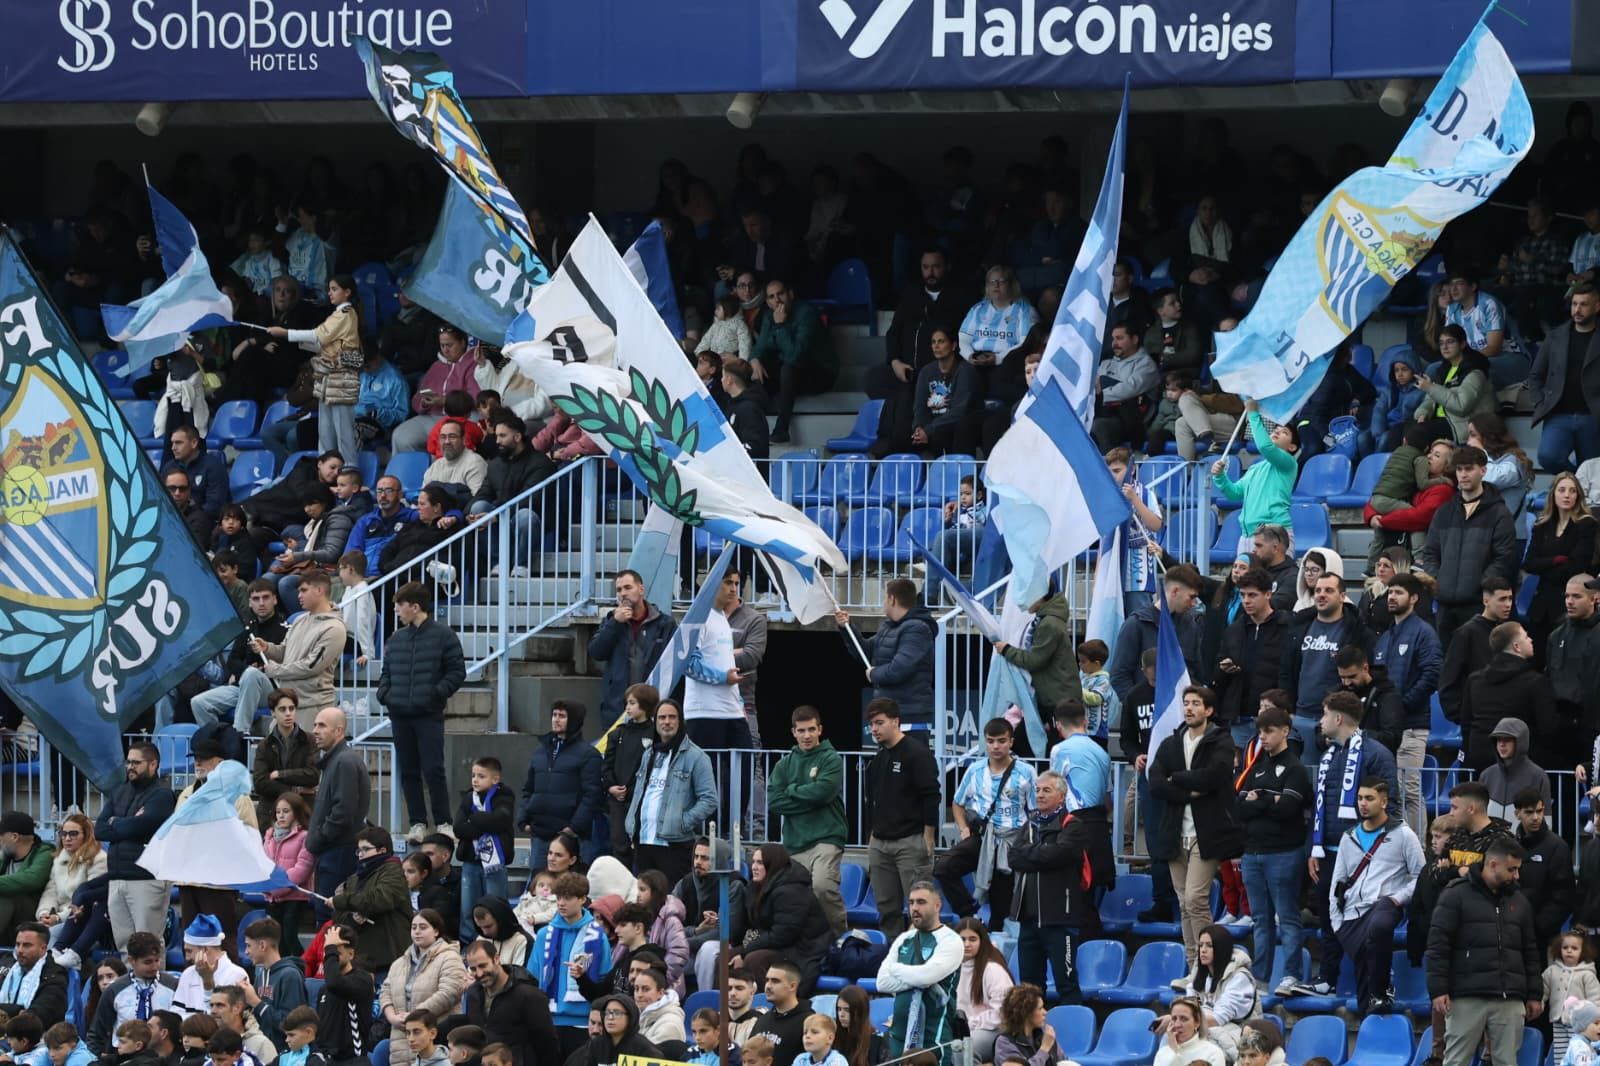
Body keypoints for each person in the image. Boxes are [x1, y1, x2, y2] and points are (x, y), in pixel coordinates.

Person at [1295, 690, 1398, 999]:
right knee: (1330, 921)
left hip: (1364, 857)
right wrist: (1314, 848)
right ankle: (1327, 979)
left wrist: (1374, 850)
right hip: (1328, 854)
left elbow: (1389, 805)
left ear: (1338, 718)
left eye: (1324, 714)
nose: (1320, 721)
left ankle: (1381, 983)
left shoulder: (1377, 754)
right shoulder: (1330, 755)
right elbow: (1321, 807)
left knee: (1366, 923)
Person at [1148, 686, 1243, 965]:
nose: (1189, 708)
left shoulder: (1221, 741)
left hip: (1207, 833)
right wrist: (1188, 792)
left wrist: (1176, 778)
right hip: (1175, 832)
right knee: (1183, 903)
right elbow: (1155, 783)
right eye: (1186, 703)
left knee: (1195, 899)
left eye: (1196, 703)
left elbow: (1214, 776)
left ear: (1209, 710)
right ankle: (1193, 967)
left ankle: (1210, 964)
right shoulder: (1170, 743)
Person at [1427, 837, 1543, 1066]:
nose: (1517, 876)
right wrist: (1438, 990)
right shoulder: (1455, 894)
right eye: (1511, 869)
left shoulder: (1519, 901)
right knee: (1456, 1061)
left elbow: (1530, 951)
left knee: (1507, 1062)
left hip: (1509, 997)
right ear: (1492, 864)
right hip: (1466, 996)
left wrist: (1534, 994)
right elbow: (1438, 945)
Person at [190, 571, 347, 735]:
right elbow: (284, 651)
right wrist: (268, 648)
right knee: (200, 702)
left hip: (311, 702)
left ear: (319, 591)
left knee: (303, 749)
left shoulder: (333, 628)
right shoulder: (300, 620)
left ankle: (239, 733)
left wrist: (272, 670)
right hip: (287, 696)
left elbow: (311, 666)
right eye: (299, 590)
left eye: (303, 590)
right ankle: (221, 742)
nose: (298, 595)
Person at [1008, 770, 1113, 1005]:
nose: (1040, 795)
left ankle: (1073, 1026)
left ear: (1061, 796)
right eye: (1037, 790)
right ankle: (1033, 1028)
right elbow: (1013, 858)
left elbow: (1060, 854)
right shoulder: (1030, 824)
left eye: (1047, 790)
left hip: (1060, 920)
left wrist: (1031, 854)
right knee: (1029, 989)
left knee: (1066, 984)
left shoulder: (1073, 825)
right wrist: (1043, 856)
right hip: (1028, 920)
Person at [376, 582, 465, 839]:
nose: (396, 610)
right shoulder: (396, 638)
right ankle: (417, 822)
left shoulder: (444, 635)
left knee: (434, 769)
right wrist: (385, 695)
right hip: (400, 715)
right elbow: (386, 672)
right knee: (408, 770)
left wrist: (435, 693)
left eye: (400, 605)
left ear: (415, 607)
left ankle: (443, 822)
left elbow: (456, 672)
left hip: (428, 714)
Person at [1328, 778, 1425, 1014]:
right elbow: (1337, 883)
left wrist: (1398, 898)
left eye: (1369, 798)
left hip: (1386, 905)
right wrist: (1337, 923)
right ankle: (1372, 1010)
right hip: (1352, 914)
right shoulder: (1348, 837)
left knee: (1379, 926)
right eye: (1360, 798)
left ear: (1383, 802)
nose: (1363, 803)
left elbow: (1421, 876)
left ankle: (1380, 992)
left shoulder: (1403, 834)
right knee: (1364, 978)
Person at [1236, 705, 1311, 989]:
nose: (1263, 737)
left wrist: (1260, 799)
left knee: (1287, 918)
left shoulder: (1295, 768)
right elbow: (1239, 807)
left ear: (1285, 731)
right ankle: (1259, 979)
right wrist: (1270, 800)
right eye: (1260, 732)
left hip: (1283, 853)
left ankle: (1291, 975)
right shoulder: (1256, 766)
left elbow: (1288, 809)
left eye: (1269, 731)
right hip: (1252, 853)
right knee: (1260, 920)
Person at [936, 719, 1035, 929]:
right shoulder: (975, 770)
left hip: (1011, 841)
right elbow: (957, 803)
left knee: (1001, 907)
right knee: (943, 868)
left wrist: (1028, 841)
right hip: (982, 838)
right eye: (990, 741)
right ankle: (970, 914)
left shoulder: (1026, 771)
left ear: (1011, 742)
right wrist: (963, 828)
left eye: (1001, 741)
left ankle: (994, 941)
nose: (996, 746)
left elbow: (1035, 811)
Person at [1420, 445, 1520, 644]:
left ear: (1483, 470)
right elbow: (1430, 553)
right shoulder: (1444, 511)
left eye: (1469, 469)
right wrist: (1440, 582)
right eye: (1459, 469)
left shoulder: (1499, 514)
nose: (1463, 474)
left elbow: (1504, 558)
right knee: (1447, 660)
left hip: (1478, 606)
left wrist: (1480, 586)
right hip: (1445, 606)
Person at [863, 699, 940, 941]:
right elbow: (872, 801)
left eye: (879, 723)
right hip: (880, 843)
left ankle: (923, 954)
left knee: (920, 907)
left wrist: (928, 836)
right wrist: (872, 836)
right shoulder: (877, 759)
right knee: (886, 908)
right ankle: (891, 954)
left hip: (910, 841)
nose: (874, 729)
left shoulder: (917, 754)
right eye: (871, 724)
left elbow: (931, 796)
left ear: (895, 721)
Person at [766, 708, 847, 934]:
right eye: (801, 731)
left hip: (827, 837)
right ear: (793, 732)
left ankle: (840, 937)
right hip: (794, 843)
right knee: (793, 897)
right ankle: (806, 942)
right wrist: (811, 799)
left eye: (812, 729)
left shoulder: (831, 758)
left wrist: (792, 790)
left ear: (820, 729)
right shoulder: (784, 765)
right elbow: (774, 802)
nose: (807, 735)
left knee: (822, 886)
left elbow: (824, 792)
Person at [266, 276, 362, 467]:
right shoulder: (336, 314)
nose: (330, 293)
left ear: (347, 292)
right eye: (329, 289)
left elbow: (318, 335)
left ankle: (349, 468)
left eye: (334, 289)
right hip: (326, 375)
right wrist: (294, 339)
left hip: (341, 377)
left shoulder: (346, 313)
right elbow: (320, 344)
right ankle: (325, 469)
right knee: (325, 428)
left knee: (342, 429)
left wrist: (285, 333)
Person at [1372, 572, 1443, 829]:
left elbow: (1432, 674)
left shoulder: (1424, 633)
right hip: (1387, 729)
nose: (1392, 597)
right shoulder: (1384, 637)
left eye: (1398, 592)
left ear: (1413, 598)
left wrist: (1401, 707)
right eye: (1390, 592)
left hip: (1413, 726)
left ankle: (1417, 847)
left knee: (1409, 790)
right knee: (1389, 790)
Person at [624, 700, 717, 887]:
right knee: (645, 899)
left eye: (672, 717)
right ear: (655, 722)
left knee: (673, 900)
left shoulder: (696, 757)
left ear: (680, 721)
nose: (667, 722)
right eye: (662, 717)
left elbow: (709, 799)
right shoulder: (649, 753)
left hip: (674, 845)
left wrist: (682, 822)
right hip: (643, 841)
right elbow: (640, 793)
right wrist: (631, 824)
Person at [95, 743, 176, 951]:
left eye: (136, 763)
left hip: (146, 879)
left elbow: (141, 826)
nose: (130, 767)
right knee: (124, 946)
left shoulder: (162, 795)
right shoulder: (120, 791)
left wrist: (116, 822)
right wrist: (127, 824)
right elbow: (100, 830)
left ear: (153, 764)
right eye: (128, 762)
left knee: (149, 945)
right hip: (117, 877)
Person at [874, 881, 960, 1066]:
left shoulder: (951, 940)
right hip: (898, 1037)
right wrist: (917, 977)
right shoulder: (904, 938)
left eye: (921, 902)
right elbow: (882, 982)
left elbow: (926, 977)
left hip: (932, 1037)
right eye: (911, 902)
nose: (914, 908)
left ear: (937, 906)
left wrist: (895, 969)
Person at [527, 874, 610, 1059]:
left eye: (568, 898)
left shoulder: (598, 936)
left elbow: (604, 980)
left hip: (583, 1022)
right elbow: (532, 977)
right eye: (558, 897)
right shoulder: (544, 935)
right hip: (549, 1020)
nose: (561, 903)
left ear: (582, 899)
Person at [834, 580, 937, 728]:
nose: (883, 602)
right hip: (886, 713)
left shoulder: (918, 629)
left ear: (892, 599)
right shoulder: (888, 626)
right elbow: (864, 652)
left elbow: (898, 670)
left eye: (884, 597)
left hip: (909, 716)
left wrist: (873, 674)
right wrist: (846, 627)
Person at [1464, 622, 1560, 773]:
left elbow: (1466, 723)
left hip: (1479, 758)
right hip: (1523, 762)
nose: (1531, 640)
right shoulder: (1535, 682)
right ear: (1517, 647)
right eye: (1526, 636)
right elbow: (1548, 728)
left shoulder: (1474, 680)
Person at [994, 593, 1086, 751]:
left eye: (1028, 594)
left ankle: (1047, 767)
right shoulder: (1046, 620)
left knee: (1054, 746)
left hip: (1057, 698)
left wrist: (1007, 650)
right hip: (1049, 696)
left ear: (1040, 596)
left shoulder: (1049, 623)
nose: (1024, 600)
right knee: (1020, 740)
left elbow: (1034, 660)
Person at [750, 278, 837, 443]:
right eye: (771, 297)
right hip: (792, 373)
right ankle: (751, 430)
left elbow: (795, 356)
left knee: (788, 368)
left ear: (790, 294)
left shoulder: (806, 313)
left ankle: (782, 429)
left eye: (780, 294)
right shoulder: (769, 316)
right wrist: (754, 359)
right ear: (767, 302)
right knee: (756, 370)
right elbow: (760, 346)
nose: (777, 300)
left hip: (821, 372)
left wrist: (780, 326)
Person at [588, 573, 676, 727]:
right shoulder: (611, 621)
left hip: (653, 707)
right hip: (617, 709)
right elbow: (596, 652)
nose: (623, 593)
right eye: (619, 590)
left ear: (641, 589)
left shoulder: (664, 623)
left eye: (628, 588)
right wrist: (615, 623)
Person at [1215, 568, 1292, 744]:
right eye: (1242, 595)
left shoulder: (1287, 627)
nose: (1246, 600)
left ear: (1268, 594)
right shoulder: (1234, 630)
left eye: (1252, 595)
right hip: (1240, 717)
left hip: (1275, 718)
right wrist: (1223, 668)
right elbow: (1217, 670)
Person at [305, 709, 369, 923]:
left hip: (338, 852)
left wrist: (318, 838)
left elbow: (343, 813)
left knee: (331, 915)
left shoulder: (344, 762)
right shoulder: (337, 761)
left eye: (322, 725)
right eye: (315, 725)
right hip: (334, 851)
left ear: (339, 731)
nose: (315, 731)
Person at [379, 911, 466, 1066]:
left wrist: (414, 1016)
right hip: (400, 1040)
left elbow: (450, 992)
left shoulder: (450, 957)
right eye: (414, 927)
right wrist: (392, 1017)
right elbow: (385, 992)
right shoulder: (399, 963)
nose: (417, 931)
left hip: (437, 1038)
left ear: (436, 931)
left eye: (423, 927)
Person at [1530, 285, 1600, 473]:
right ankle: (1576, 481)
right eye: (1574, 304)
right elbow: (1535, 375)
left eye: (1584, 304)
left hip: (1593, 416)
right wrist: (1540, 403)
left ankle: (1581, 484)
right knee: (1548, 457)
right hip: (1558, 413)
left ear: (1597, 306)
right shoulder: (1555, 336)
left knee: (1593, 470)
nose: (1577, 309)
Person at [1211, 400, 1299, 551]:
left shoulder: (1289, 463)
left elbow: (1265, 446)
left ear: (1292, 447)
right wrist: (1220, 476)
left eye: (1284, 432)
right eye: (1276, 429)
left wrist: (1252, 413)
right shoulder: (1255, 468)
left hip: (1274, 532)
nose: (1277, 431)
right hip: (1247, 535)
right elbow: (1234, 494)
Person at [1108, 565, 1204, 701]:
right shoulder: (1136, 624)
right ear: (1175, 591)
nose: (1194, 603)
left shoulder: (1190, 625)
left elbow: (1196, 673)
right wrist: (1139, 706)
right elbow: (1119, 675)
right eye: (1191, 597)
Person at [456, 940, 557, 1066]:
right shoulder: (473, 994)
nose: (479, 973)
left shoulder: (528, 996)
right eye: (473, 969)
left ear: (496, 959)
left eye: (483, 966)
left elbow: (547, 1044)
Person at [1168, 924, 1258, 1060]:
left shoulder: (1239, 978)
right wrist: (1178, 1022)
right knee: (1170, 1036)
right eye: (1201, 945)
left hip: (1241, 1035)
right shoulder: (1201, 975)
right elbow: (1192, 1008)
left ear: (1221, 948)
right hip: (1208, 1030)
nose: (1203, 950)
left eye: (1209, 946)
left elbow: (1218, 1018)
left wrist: (1176, 1021)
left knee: (1197, 1044)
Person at [451, 758, 515, 944]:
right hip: (471, 861)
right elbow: (459, 828)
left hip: (494, 862)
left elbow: (500, 821)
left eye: (481, 776)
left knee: (495, 905)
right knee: (468, 908)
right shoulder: (468, 798)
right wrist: (484, 823)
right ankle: (468, 944)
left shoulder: (504, 797)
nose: (475, 780)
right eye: (473, 775)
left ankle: (497, 942)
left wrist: (474, 818)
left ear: (495, 779)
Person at [85, 933, 177, 1055]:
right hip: (124, 1057)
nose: (155, 966)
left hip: (164, 1057)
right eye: (148, 962)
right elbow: (96, 1034)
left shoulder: (173, 985)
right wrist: (101, 1057)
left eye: (157, 960)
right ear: (131, 960)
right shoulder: (114, 990)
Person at [600, 684, 659, 869]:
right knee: (620, 845)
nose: (628, 707)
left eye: (632, 703)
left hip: (643, 799)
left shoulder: (655, 733)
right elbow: (606, 766)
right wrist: (611, 787)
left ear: (645, 705)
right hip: (618, 799)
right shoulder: (618, 733)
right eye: (627, 703)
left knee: (642, 846)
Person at [37, 812, 106, 966]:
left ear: (86, 835)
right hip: (57, 917)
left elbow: (89, 902)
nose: (67, 838)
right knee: (31, 933)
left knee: (51, 934)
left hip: (81, 919)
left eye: (73, 834)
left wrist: (58, 918)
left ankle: (52, 971)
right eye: (63, 833)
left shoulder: (98, 859)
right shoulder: (58, 859)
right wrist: (45, 913)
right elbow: (50, 891)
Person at [1512, 790, 1574, 950]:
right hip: (1512, 934)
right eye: (1529, 812)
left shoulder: (1557, 847)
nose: (1536, 817)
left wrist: (1538, 927)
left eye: (1539, 811)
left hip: (1543, 939)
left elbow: (1564, 897)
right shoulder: (1510, 845)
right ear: (1517, 814)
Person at [238, 917, 308, 1053]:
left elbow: (291, 1025)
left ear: (262, 945)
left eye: (249, 945)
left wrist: (256, 1003)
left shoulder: (290, 976)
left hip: (283, 1053)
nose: (246, 951)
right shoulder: (261, 975)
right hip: (260, 1050)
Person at [250, 692, 319, 832]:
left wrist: (280, 774)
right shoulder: (264, 745)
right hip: (271, 814)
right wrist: (294, 790)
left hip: (302, 814)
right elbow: (260, 783)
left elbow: (312, 775)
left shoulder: (309, 740)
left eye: (291, 708)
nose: (288, 713)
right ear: (273, 712)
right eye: (282, 709)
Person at [1090, 323, 1160, 451]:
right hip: (1102, 412)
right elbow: (1092, 389)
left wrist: (1099, 395)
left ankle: (1108, 463)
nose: (1114, 343)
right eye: (1113, 339)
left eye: (1120, 338)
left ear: (1134, 339)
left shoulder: (1146, 365)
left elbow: (1127, 390)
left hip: (1132, 422)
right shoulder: (1105, 363)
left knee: (1099, 426)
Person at [313, 924, 374, 1066]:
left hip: (353, 1060)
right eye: (328, 953)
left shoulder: (362, 979)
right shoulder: (324, 989)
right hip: (327, 1060)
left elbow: (335, 983)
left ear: (351, 954)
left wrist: (330, 949)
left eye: (337, 954)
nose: (331, 958)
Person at [953, 919, 1011, 1064]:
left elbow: (1002, 1013)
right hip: (961, 1029)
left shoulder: (993, 970)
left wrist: (969, 1024)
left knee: (961, 1048)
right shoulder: (950, 969)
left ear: (982, 941)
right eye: (962, 939)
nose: (967, 944)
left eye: (972, 939)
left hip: (993, 1030)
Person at [173, 914, 249, 1015]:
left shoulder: (237, 975)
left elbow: (221, 1018)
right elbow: (175, 1013)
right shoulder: (188, 973)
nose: (187, 958)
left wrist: (207, 982)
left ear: (205, 950)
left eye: (189, 951)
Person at [1047, 699, 1110, 813]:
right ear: (1085, 721)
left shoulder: (1060, 750)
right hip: (1100, 817)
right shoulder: (1102, 752)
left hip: (1075, 817)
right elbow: (1108, 796)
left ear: (1058, 725)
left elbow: (1053, 791)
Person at [0, 923, 68, 1025]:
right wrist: (18, 1010)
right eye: (18, 944)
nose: (20, 950)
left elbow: (35, 1017)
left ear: (43, 948)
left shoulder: (55, 977)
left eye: (27, 945)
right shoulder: (7, 965)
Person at [748, 960, 811, 1066]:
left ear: (792, 986)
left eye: (775, 981)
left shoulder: (808, 1022)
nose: (768, 986)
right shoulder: (762, 1020)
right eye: (767, 980)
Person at [163, 426, 229, 521]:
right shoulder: (169, 467)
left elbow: (215, 504)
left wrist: (191, 519)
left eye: (178, 443)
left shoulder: (214, 467)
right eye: (172, 443)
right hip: (173, 520)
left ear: (194, 443)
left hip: (203, 521)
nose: (173, 448)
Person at [208, 985, 277, 1065]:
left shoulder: (261, 1044)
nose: (213, 1011)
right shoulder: (209, 1040)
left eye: (220, 1005)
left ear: (237, 1008)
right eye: (211, 1005)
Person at [991, 984, 1058, 1066]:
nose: (1045, 1012)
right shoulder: (1004, 1043)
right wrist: (1044, 1049)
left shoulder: (1044, 1033)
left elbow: (1061, 1060)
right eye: (1040, 1008)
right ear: (1026, 1013)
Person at [1150, 997, 1226, 1066]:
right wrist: (1173, 1051)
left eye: (1184, 1019)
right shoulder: (1163, 1053)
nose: (1177, 1025)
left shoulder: (1213, 1053)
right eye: (1174, 1018)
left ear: (1197, 1022)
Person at [423, 421, 488, 498]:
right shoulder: (435, 466)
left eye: (452, 437)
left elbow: (479, 500)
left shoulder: (475, 463)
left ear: (463, 440)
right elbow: (423, 498)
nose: (447, 442)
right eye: (443, 437)